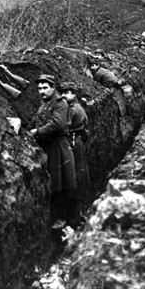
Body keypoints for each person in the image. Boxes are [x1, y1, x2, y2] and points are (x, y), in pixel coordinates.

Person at [29, 74, 77, 228]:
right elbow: (36, 120)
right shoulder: (44, 104)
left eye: (44, 88)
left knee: (61, 183)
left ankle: (63, 218)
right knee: (54, 183)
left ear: (52, 88)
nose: (41, 91)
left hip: (59, 147)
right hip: (49, 146)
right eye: (39, 88)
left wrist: (36, 132)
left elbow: (57, 124)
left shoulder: (59, 103)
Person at [60, 81, 91, 227]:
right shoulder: (79, 106)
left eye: (67, 92)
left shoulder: (72, 110)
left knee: (74, 177)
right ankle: (79, 213)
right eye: (62, 92)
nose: (63, 95)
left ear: (74, 94)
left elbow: (61, 126)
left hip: (73, 143)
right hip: (78, 141)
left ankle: (74, 218)